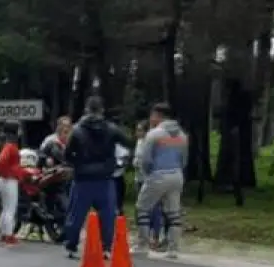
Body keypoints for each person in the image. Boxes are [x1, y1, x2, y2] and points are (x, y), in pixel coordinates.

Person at [62, 96, 128, 258]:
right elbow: (128, 142)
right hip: (105, 178)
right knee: (107, 214)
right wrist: (116, 162)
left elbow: (67, 154)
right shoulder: (112, 129)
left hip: (82, 178)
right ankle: (106, 247)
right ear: (102, 110)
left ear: (86, 110)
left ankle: (71, 245)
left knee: (76, 213)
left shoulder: (77, 130)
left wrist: (76, 163)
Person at [135, 103, 187, 257]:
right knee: (173, 212)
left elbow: (146, 159)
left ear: (158, 116)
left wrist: (147, 174)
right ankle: (173, 248)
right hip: (177, 175)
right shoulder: (182, 135)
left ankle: (142, 244)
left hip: (158, 174)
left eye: (152, 115)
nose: (151, 119)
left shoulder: (154, 134)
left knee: (142, 208)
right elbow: (184, 159)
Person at [132, 121, 163, 249]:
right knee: (140, 208)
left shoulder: (151, 144)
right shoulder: (139, 142)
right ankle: (142, 235)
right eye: (137, 130)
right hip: (139, 178)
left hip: (150, 180)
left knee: (154, 208)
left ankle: (155, 235)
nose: (137, 133)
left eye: (140, 130)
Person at [0, 120, 23, 245]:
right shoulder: (10, 146)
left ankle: (3, 233)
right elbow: (1, 161)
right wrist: (8, 173)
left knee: (5, 208)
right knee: (10, 209)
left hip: (4, 179)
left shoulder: (6, 144)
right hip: (9, 180)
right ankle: (9, 235)